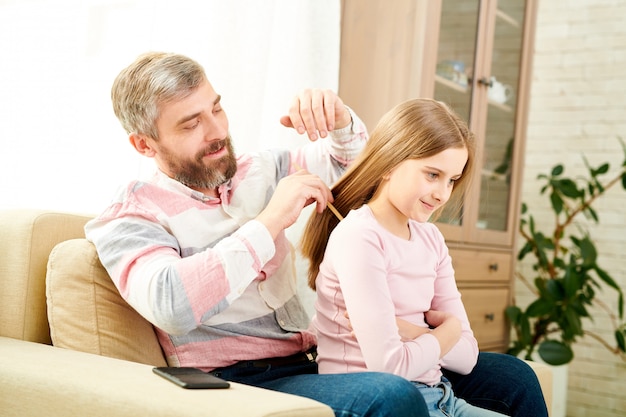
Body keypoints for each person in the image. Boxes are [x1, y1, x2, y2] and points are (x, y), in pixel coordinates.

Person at [85, 51, 547, 417]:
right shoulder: (129, 216)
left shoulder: (261, 169)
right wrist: (269, 222)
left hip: (322, 358)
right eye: (191, 123)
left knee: (512, 377)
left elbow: (364, 166)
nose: (217, 131)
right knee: (388, 394)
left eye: (217, 108)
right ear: (144, 144)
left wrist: (340, 120)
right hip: (244, 379)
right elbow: (172, 304)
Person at [300, 99, 549, 417]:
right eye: (433, 174)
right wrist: (448, 331)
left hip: (443, 399)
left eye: (451, 180)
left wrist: (410, 330)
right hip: (386, 403)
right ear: (389, 163)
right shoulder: (360, 237)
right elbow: (389, 367)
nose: (443, 194)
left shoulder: (430, 239)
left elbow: (468, 356)